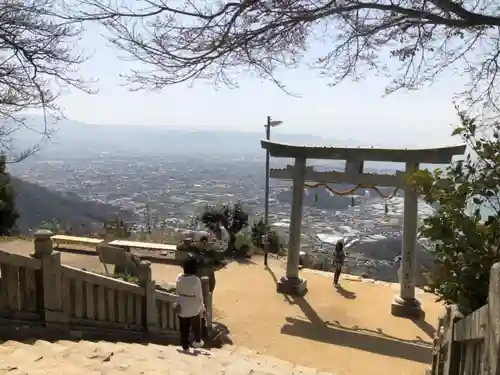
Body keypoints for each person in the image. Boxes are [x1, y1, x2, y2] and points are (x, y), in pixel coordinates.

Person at [175, 255, 206, 351]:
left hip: (182, 303)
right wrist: (203, 307)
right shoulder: (196, 279)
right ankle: (197, 342)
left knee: (184, 328)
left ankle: (185, 346)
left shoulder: (179, 277)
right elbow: (199, 296)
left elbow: (177, 290)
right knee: (196, 325)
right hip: (193, 305)